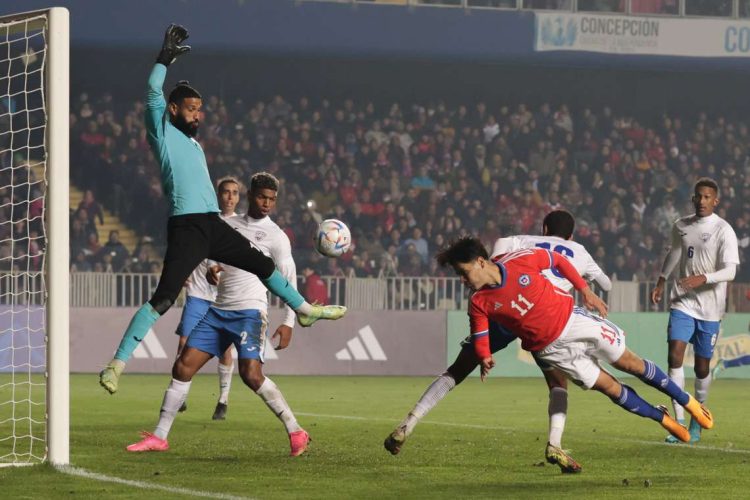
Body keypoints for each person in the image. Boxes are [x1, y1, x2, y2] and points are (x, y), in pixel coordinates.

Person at [99, 25, 346, 395]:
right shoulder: (162, 133)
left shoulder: (193, 144)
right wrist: (163, 59)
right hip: (186, 229)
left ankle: (305, 311)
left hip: (212, 225)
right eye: (192, 109)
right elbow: (152, 92)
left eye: (200, 110)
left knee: (262, 264)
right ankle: (116, 363)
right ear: (173, 109)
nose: (198, 115)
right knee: (164, 298)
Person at [433, 236, 713, 457]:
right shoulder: (478, 302)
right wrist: (484, 357)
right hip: (552, 351)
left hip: (573, 321)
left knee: (630, 363)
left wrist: (586, 290)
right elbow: (480, 337)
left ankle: (687, 402)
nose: (462, 280)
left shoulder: (518, 259)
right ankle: (662, 419)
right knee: (610, 388)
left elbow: (558, 262)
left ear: (481, 262)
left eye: (464, 272)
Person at [384, 210, 611, 473]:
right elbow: (605, 283)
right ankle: (554, 443)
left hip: (505, 310)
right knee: (557, 384)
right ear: (571, 235)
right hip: (543, 318)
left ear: (544, 229)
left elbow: (495, 263)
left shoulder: (518, 241)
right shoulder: (580, 251)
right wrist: (584, 281)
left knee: (456, 371)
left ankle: (407, 425)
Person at [126, 172, 310, 456]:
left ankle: (296, 429)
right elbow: (215, 255)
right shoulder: (229, 225)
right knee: (183, 366)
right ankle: (160, 436)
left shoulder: (277, 237)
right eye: (262, 197)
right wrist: (213, 267)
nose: (267, 204)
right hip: (218, 310)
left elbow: (289, 280)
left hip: (250, 312)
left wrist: (289, 321)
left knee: (251, 375)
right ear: (250, 195)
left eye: (272, 199)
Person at [651, 177, 739, 443]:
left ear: (716, 200)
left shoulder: (724, 230)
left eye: (707, 197)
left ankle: (697, 416)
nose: (702, 201)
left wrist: (704, 278)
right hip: (683, 301)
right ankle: (678, 421)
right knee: (674, 355)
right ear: (693, 199)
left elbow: (731, 271)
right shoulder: (681, 225)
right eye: (698, 197)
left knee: (702, 368)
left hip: (710, 309)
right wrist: (662, 279)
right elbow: (675, 252)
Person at [173, 176, 240, 419]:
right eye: (226, 192)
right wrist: (182, 272)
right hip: (199, 292)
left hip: (225, 297)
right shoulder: (206, 220)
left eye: (234, 193)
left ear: (239, 197)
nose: (230, 197)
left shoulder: (241, 226)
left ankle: (222, 401)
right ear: (218, 195)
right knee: (184, 343)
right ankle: (180, 395)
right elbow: (188, 248)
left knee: (224, 351)